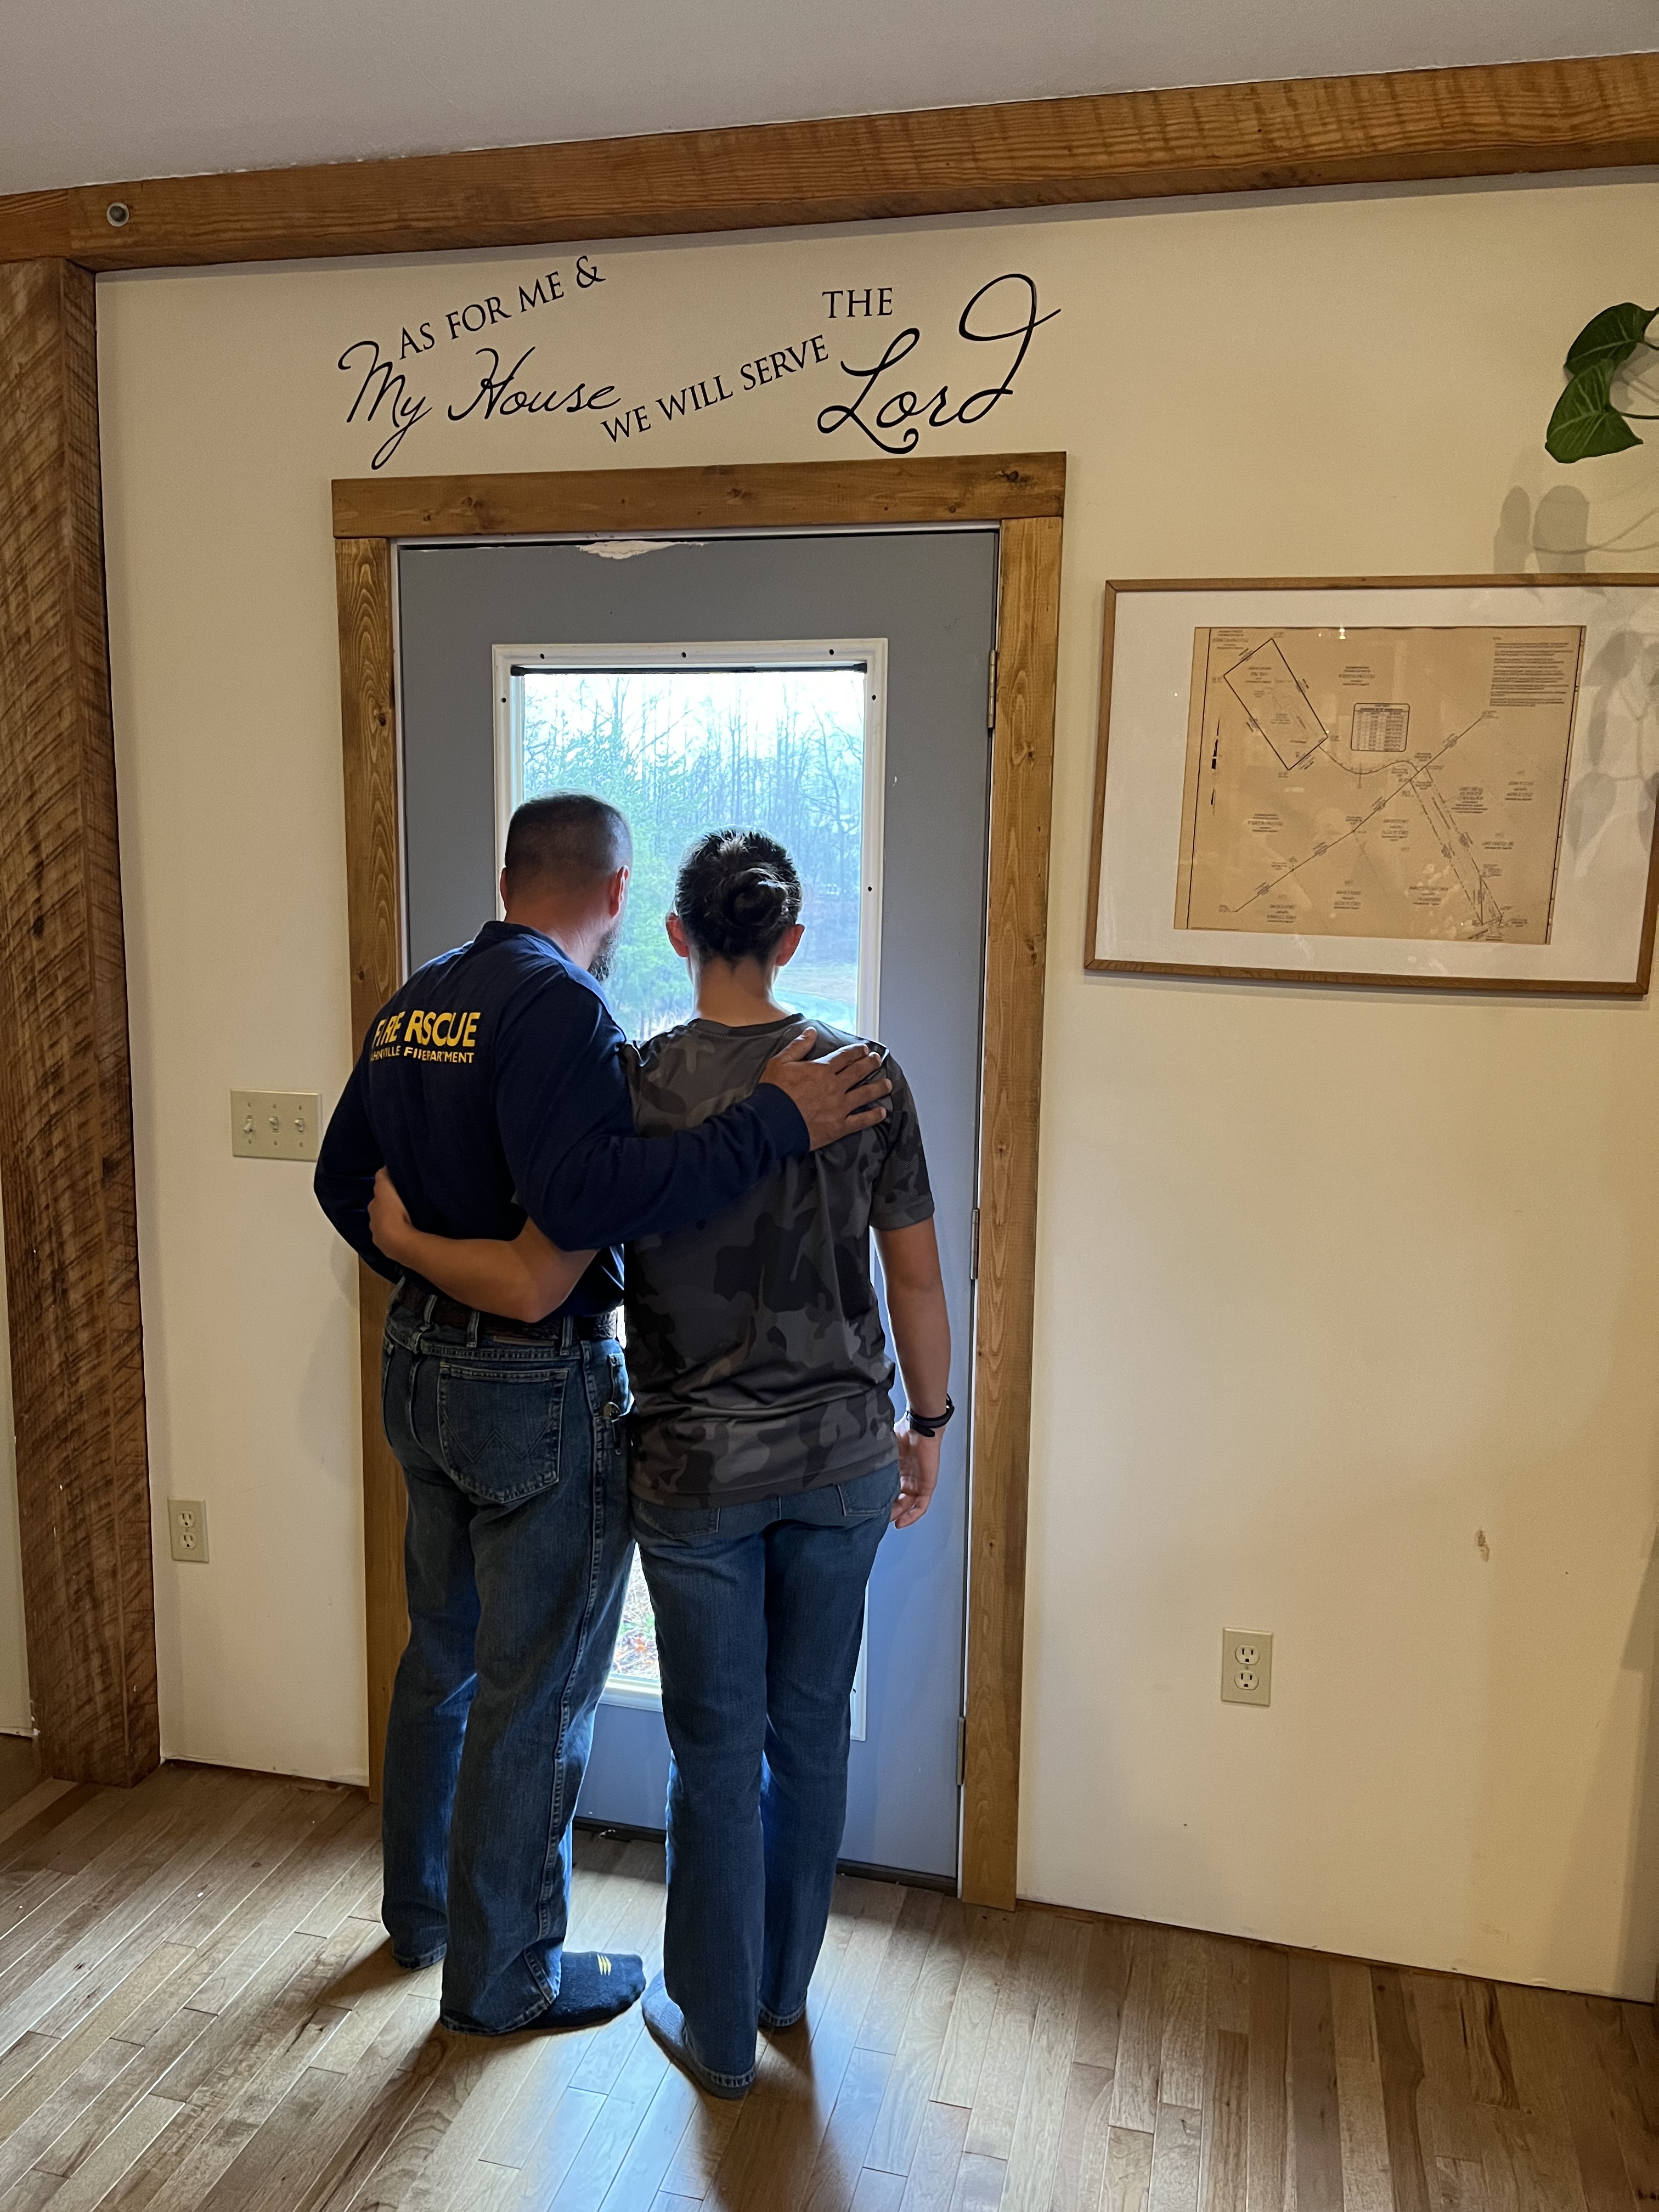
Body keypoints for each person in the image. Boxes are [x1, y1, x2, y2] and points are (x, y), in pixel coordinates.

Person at [369, 827, 952, 2098]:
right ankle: (784, 1989)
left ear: (678, 935)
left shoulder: (634, 1082)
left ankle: (718, 2031)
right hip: (845, 1457)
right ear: (791, 939)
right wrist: (930, 1422)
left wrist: (408, 1246)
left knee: (713, 1750)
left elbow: (555, 1263)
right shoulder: (868, 1077)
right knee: (810, 1733)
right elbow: (914, 1276)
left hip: (695, 1471)